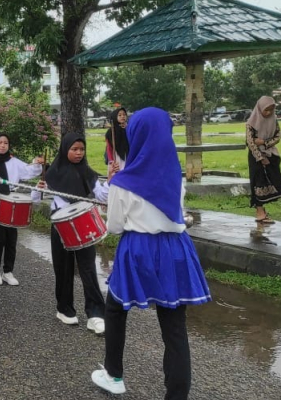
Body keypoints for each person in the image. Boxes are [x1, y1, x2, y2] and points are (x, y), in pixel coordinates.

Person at [90, 107, 211, 399]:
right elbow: (178, 215)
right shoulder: (176, 176)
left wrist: (114, 186)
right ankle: (177, 394)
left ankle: (114, 375)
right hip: (176, 249)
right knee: (174, 326)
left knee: (116, 309)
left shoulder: (122, 182)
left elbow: (115, 227)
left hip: (139, 249)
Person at [34, 134, 108, 335]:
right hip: (60, 226)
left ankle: (96, 314)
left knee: (88, 269)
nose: (78, 153)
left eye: (81, 149)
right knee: (63, 269)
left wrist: (111, 181)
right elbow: (35, 199)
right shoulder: (51, 174)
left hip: (84, 224)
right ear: (65, 149)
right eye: (74, 149)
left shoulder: (88, 173)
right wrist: (38, 189)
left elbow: (102, 195)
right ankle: (64, 308)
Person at [0, 133, 43, 286]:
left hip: (11, 198)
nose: (2, 145)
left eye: (5, 143)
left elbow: (29, 171)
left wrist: (36, 162)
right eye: (0, 142)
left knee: (11, 238)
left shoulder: (14, 161)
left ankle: (8, 271)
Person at [246, 96, 281, 224]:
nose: (268, 113)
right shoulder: (251, 123)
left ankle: (262, 212)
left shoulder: (274, 120)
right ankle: (260, 212)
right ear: (259, 109)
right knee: (258, 183)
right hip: (256, 157)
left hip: (271, 155)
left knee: (274, 180)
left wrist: (264, 142)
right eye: (266, 110)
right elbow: (250, 142)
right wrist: (260, 157)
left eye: (271, 110)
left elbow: (278, 136)